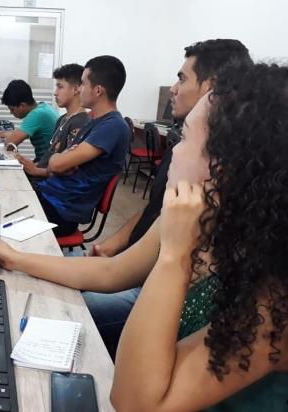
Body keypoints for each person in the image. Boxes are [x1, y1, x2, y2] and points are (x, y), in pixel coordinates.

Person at [111, 62, 288, 411]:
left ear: (229, 166)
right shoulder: (235, 235)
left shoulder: (276, 300)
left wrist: (174, 256)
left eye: (185, 139)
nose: (172, 151)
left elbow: (132, 403)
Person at [83, 39, 252, 358]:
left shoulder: (223, 184)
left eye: (182, 78)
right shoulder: (186, 159)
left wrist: (170, 258)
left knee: (67, 304)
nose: (174, 88)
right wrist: (115, 242)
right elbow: (153, 209)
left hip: (156, 284)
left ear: (212, 88)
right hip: (141, 266)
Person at [32, 55, 129, 236]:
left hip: (61, 212)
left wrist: (61, 160)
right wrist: (63, 160)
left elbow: (56, 164)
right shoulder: (93, 121)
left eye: (83, 84)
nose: (79, 89)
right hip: (49, 197)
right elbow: (61, 163)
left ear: (98, 90)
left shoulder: (113, 126)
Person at [16, 64, 90, 180]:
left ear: (76, 89)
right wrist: (31, 165)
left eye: (60, 87)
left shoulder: (79, 123)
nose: (55, 92)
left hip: (48, 185)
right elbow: (50, 156)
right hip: (41, 175)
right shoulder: (63, 119)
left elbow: (70, 169)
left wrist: (37, 171)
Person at [0, 79, 58, 162]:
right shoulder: (44, 107)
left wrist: (7, 138)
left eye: (12, 109)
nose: (11, 113)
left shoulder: (37, 115)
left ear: (22, 105)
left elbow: (10, 143)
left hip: (44, 167)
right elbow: (19, 133)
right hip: (48, 162)